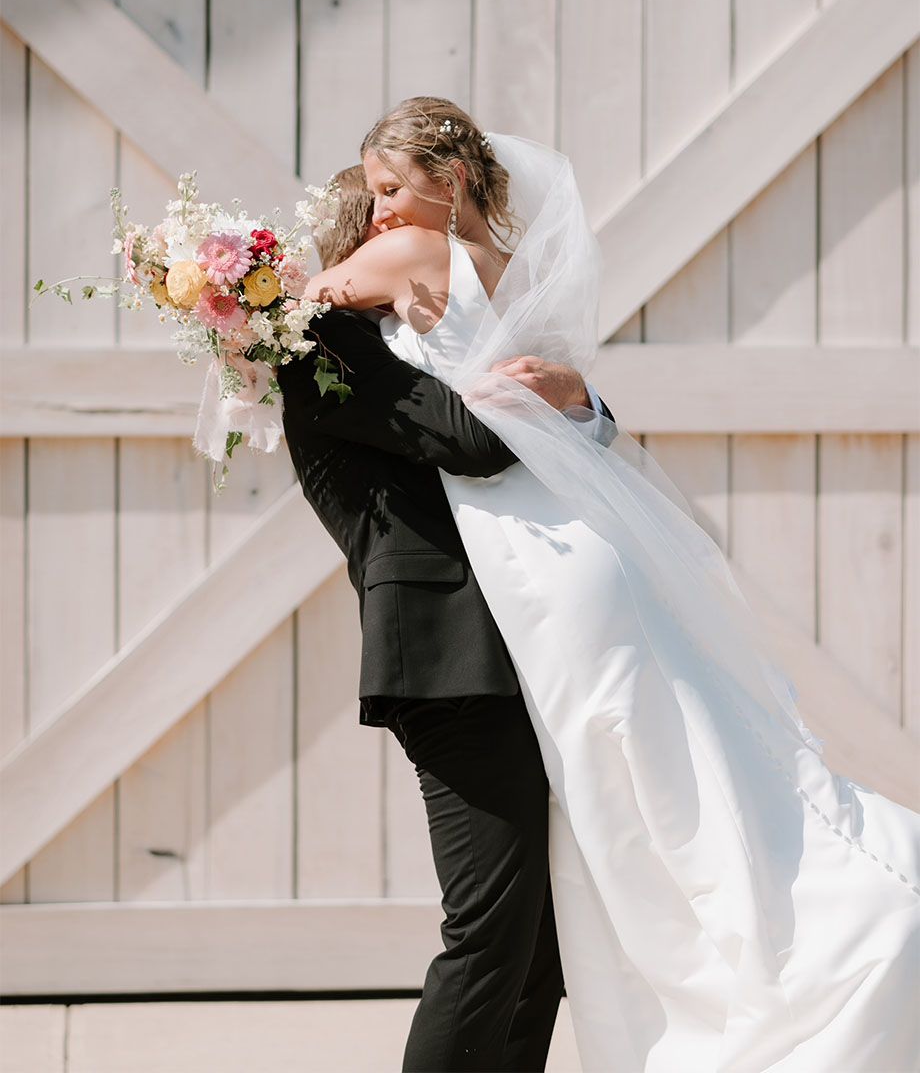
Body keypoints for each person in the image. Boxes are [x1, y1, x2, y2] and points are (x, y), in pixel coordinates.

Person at [298, 97, 920, 1072]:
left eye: (389, 188)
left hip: (531, 572)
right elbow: (549, 408)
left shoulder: (399, 263)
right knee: (614, 830)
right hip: (567, 550)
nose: (380, 214)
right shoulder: (510, 277)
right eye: (369, 199)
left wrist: (242, 314)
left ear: (446, 180)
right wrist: (568, 400)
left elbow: (292, 310)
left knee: (524, 909)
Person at [277, 164, 615, 1072]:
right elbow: (470, 439)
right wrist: (535, 386)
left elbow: (543, 438)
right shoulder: (325, 353)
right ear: (370, 254)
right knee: (489, 934)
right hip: (446, 659)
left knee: (539, 949)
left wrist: (578, 397)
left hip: (515, 649)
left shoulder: (410, 346)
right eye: (405, 246)